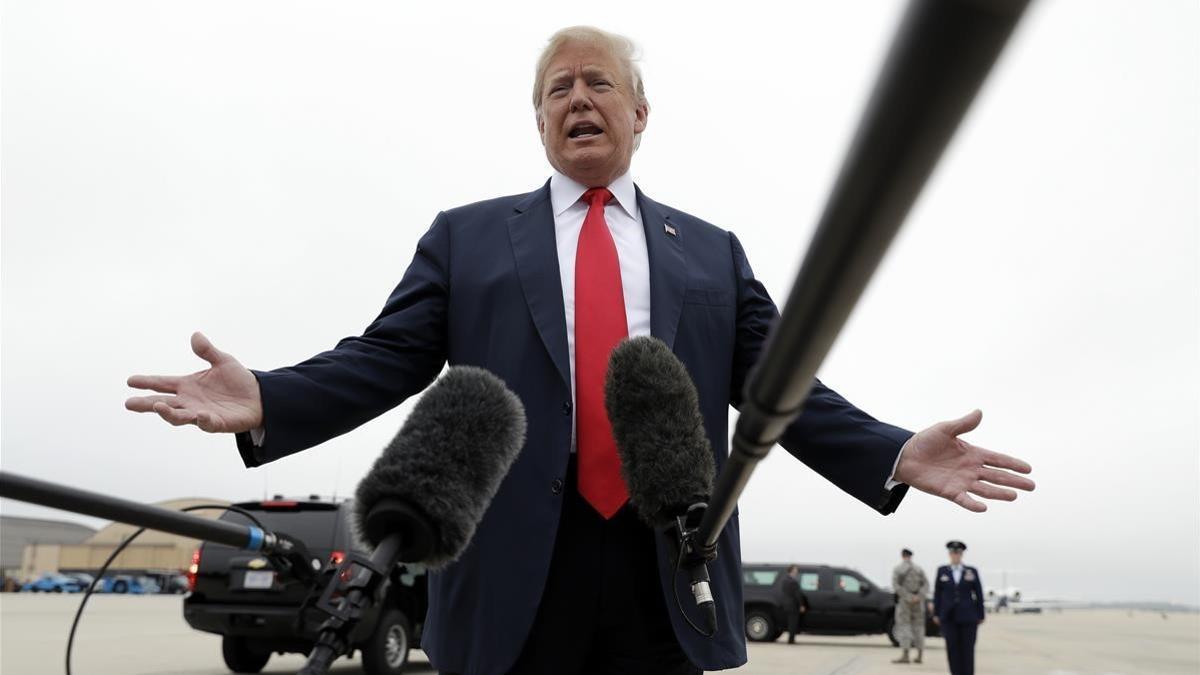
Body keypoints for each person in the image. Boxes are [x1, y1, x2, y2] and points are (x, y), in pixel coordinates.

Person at [124, 26, 1035, 675]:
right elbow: (387, 355)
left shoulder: (710, 250)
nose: (579, 98)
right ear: (539, 123)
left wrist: (892, 451)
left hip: (666, 561)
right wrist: (271, 399)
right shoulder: (466, 238)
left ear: (641, 113)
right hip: (512, 563)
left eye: (598, 82)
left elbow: (774, 384)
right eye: (558, 89)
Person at [933, 541, 984, 675]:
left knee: (967, 650)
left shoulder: (971, 571)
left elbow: (978, 593)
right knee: (952, 650)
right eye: (953, 553)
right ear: (949, 554)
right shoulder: (942, 571)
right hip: (948, 617)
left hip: (968, 617)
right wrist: (936, 614)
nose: (955, 555)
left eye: (958, 553)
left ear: (961, 554)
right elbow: (937, 594)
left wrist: (981, 614)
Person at [891, 548, 929, 664]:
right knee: (919, 626)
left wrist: (908, 597)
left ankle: (905, 655)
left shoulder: (898, 569)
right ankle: (920, 655)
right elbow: (926, 584)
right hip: (918, 601)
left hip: (905, 602)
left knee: (904, 626)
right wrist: (919, 596)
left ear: (902, 556)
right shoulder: (919, 569)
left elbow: (895, 585)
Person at [780, 565, 808, 644]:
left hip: (786, 604)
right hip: (793, 605)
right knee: (793, 623)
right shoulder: (793, 581)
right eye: (795, 570)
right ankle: (791, 640)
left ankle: (791, 639)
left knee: (790, 622)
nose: (797, 571)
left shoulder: (784, 580)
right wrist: (801, 605)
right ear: (792, 570)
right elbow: (797, 595)